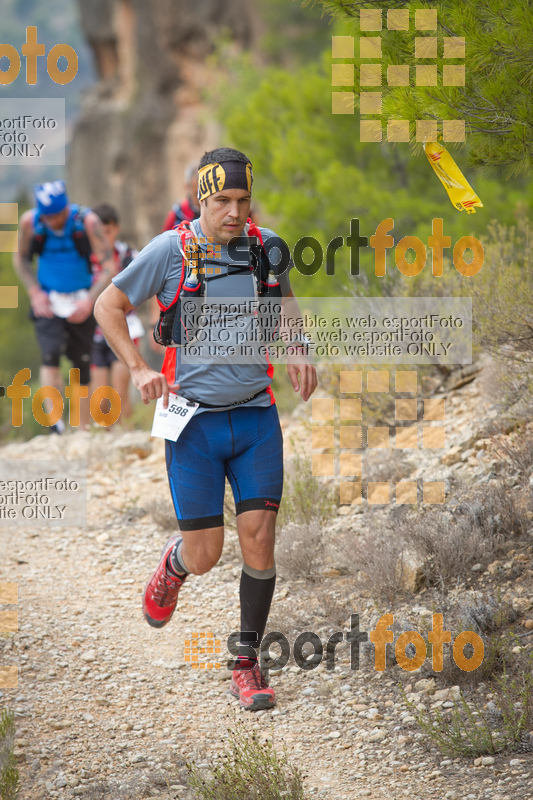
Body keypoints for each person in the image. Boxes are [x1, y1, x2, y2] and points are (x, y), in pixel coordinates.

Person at [94, 148, 317, 710]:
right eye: (223, 201)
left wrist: (298, 346)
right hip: (192, 424)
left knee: (260, 539)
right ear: (202, 200)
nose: (235, 212)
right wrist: (140, 367)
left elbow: (286, 303)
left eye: (244, 200)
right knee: (205, 555)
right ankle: (174, 565)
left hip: (255, 416)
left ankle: (246, 662)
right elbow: (107, 305)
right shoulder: (171, 251)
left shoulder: (267, 248)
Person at [14, 181, 116, 431]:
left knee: (82, 362)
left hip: (81, 298)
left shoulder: (87, 222)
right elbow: (20, 259)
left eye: (57, 216)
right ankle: (54, 421)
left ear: (66, 208)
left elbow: (109, 268)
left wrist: (89, 300)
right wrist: (34, 292)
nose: (52, 221)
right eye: (47, 217)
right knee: (49, 355)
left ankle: (83, 427)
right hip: (48, 300)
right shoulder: (31, 222)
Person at [90, 203, 143, 421]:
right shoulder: (86, 259)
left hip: (125, 328)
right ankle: (105, 440)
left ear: (116, 228)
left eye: (108, 231)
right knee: (100, 398)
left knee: (120, 394)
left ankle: (127, 437)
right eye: (98, 233)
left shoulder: (130, 256)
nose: (104, 237)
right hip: (94, 333)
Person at [161, 162, 200, 231]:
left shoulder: (214, 212)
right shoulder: (178, 214)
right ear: (187, 187)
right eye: (196, 194)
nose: (200, 199)